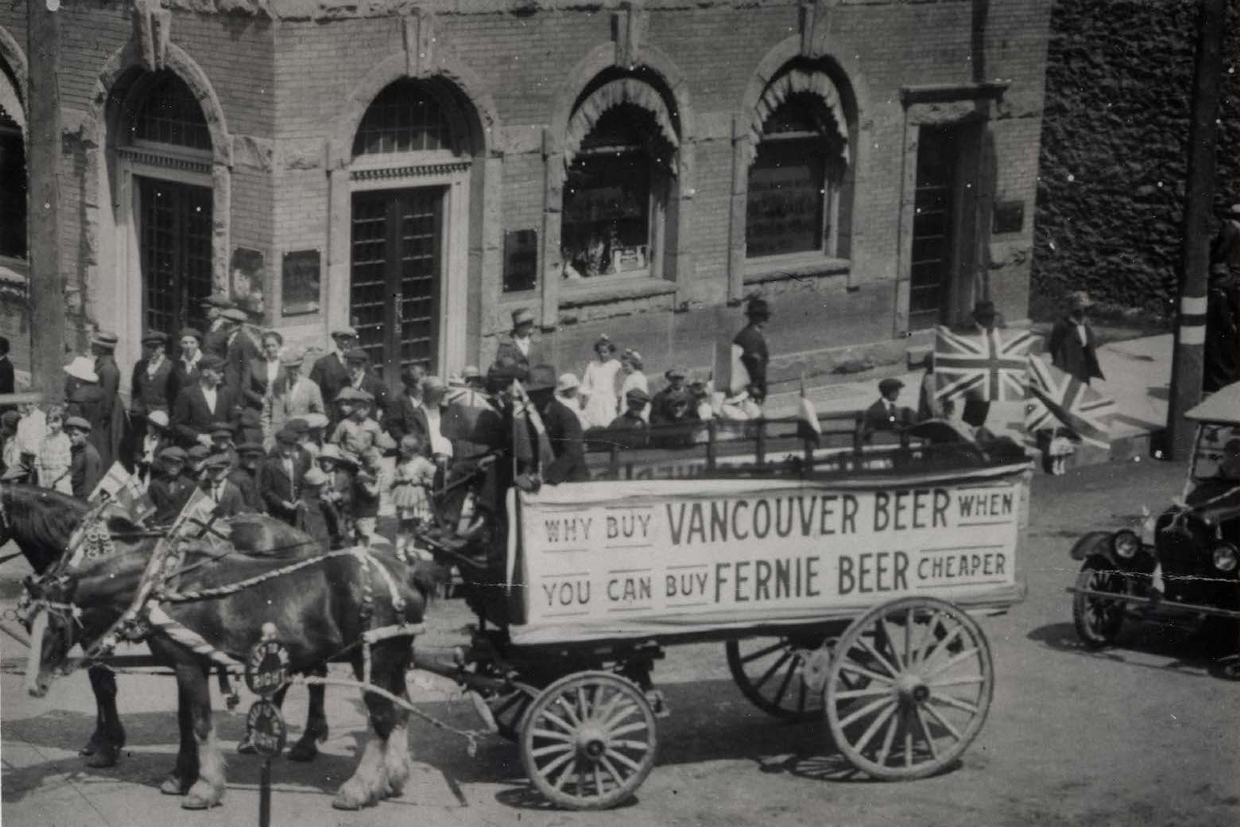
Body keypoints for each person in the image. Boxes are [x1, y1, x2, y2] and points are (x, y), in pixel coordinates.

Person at [524, 364, 588, 484]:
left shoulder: (565, 416)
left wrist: (548, 476)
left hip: (572, 480)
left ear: (548, 393)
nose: (531, 398)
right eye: (529, 394)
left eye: (534, 394)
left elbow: (572, 452)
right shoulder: (535, 415)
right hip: (549, 478)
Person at [173, 355, 238, 449]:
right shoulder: (187, 393)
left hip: (222, 447)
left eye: (222, 371)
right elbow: (178, 425)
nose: (222, 374)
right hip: (197, 448)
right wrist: (198, 437)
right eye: (218, 372)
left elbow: (234, 418)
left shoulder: (226, 392)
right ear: (205, 372)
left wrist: (228, 435)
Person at [265, 349, 324, 448]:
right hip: (276, 440)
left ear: (301, 366)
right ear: (283, 367)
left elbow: (321, 416)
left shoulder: (311, 387)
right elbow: (265, 414)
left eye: (295, 367)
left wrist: (302, 421)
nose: (292, 371)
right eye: (288, 368)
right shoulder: (274, 385)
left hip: (300, 441)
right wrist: (267, 436)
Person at [390, 434, 436, 563]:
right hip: (404, 498)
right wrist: (401, 479)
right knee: (403, 524)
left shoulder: (423, 463)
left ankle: (409, 548)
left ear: (412, 450)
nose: (400, 450)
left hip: (417, 499)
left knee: (414, 524)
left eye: (402, 448)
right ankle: (399, 550)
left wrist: (421, 480)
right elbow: (393, 480)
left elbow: (433, 479)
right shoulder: (402, 463)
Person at [130, 331, 176, 448]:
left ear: (163, 348)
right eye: (149, 347)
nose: (153, 351)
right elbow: (136, 390)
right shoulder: (140, 366)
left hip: (161, 416)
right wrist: (136, 407)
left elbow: (174, 396)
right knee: (140, 447)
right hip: (142, 415)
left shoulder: (171, 367)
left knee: (158, 448)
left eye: (156, 347)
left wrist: (170, 417)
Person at [1048, 292, 1104, 385]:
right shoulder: (1062, 323)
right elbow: (1053, 345)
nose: (1084, 310)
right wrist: (1060, 362)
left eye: (1086, 308)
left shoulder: (1085, 322)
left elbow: (1089, 342)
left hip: (1083, 361)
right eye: (1082, 307)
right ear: (1074, 307)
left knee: (1084, 388)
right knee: (1070, 388)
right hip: (1069, 362)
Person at [261, 428, 310, 525]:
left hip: (296, 512)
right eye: (285, 444)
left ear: (295, 446)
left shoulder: (299, 464)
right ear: (279, 444)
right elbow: (266, 490)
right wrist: (281, 502)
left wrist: (301, 500)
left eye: (291, 445)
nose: (288, 448)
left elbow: (304, 486)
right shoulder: (270, 465)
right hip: (278, 512)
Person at [310, 327, 359, 422]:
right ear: (335, 339)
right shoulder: (323, 363)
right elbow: (313, 391)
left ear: (353, 340)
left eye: (349, 338)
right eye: (342, 338)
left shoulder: (361, 362)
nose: (345, 342)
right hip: (333, 415)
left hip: (356, 414)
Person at [1204, 267, 1238, 393]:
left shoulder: (1211, 293)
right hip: (1220, 334)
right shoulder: (1220, 295)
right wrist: (1231, 328)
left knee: (1213, 358)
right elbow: (1224, 319)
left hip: (1211, 332)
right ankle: (1218, 385)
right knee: (1221, 359)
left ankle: (1211, 384)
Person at [734, 297, 771, 406]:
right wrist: (758, 387)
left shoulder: (746, 334)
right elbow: (755, 365)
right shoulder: (752, 337)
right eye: (763, 317)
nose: (766, 320)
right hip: (750, 389)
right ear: (756, 318)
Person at [331, 388, 383, 463]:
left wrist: (373, 456)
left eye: (366, 408)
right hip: (347, 461)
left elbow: (380, 447)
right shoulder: (345, 423)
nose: (363, 410)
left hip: (367, 462)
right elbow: (334, 443)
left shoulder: (374, 425)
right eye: (360, 407)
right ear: (354, 407)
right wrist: (344, 455)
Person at [316, 445, 355, 546]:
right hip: (322, 518)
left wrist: (340, 496)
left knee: (342, 545)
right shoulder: (315, 476)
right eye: (323, 460)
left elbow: (350, 496)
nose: (325, 463)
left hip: (339, 517)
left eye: (329, 461)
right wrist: (321, 497)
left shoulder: (343, 476)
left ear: (336, 462)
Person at [581, 335, 622, 429]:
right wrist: (583, 401)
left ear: (611, 352)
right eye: (600, 352)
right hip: (594, 399)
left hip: (609, 399)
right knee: (594, 424)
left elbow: (619, 384)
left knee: (609, 423)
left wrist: (619, 400)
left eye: (605, 352)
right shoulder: (592, 365)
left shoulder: (615, 365)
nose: (602, 354)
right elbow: (586, 384)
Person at [295, 466, 340, 551]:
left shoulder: (322, 501)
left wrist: (329, 504)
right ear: (317, 487)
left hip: (323, 540)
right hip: (312, 543)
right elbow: (299, 528)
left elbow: (335, 519)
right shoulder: (304, 503)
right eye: (325, 484)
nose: (327, 487)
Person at [148, 447, 194, 525]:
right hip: (160, 527)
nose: (174, 466)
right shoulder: (155, 484)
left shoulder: (189, 485)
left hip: (180, 528)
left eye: (178, 463)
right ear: (163, 463)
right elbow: (149, 510)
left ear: (182, 465)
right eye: (170, 462)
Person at [386, 365, 429, 448]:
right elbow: (393, 426)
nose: (422, 383)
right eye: (417, 380)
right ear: (409, 383)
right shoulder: (398, 401)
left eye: (423, 377)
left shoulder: (428, 399)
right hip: (410, 449)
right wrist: (406, 441)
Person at [341, 348, 389, 422]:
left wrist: (379, 428)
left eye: (358, 365)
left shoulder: (376, 384)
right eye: (351, 364)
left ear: (364, 366)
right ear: (346, 365)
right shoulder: (342, 383)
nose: (354, 369)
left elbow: (389, 408)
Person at [243, 330, 285, 413]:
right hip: (260, 408)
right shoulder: (253, 364)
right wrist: (261, 399)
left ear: (279, 346)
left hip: (282, 407)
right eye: (267, 346)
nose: (270, 349)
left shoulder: (286, 364)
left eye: (273, 346)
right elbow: (245, 388)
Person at [492, 308, 543, 376]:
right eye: (528, 323)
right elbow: (501, 366)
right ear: (519, 326)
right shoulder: (506, 344)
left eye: (531, 322)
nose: (532, 325)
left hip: (536, 383)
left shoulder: (537, 342)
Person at [222, 307, 260, 399]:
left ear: (236, 325)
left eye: (227, 325)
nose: (224, 327)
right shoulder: (229, 338)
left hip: (237, 387)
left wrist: (244, 392)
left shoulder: (244, 341)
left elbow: (247, 368)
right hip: (226, 383)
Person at [35, 405, 73, 494]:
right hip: (44, 478)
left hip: (60, 479)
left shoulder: (66, 440)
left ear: (63, 421)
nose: (52, 424)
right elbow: (39, 461)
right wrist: (41, 480)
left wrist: (52, 481)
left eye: (56, 421)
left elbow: (66, 465)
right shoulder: (44, 440)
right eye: (50, 420)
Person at [200, 453, 249, 519]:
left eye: (220, 469)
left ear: (227, 470)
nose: (217, 473)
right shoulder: (202, 489)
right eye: (214, 470)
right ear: (208, 471)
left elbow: (239, 515)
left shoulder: (234, 490)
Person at [65, 416, 103, 499]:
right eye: (69, 435)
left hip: (85, 498)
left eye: (76, 435)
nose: (72, 438)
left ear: (86, 434)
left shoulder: (89, 454)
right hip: (75, 493)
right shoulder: (75, 449)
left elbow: (90, 485)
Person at [134, 409, 173, 489]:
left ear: (157, 429)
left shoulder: (164, 443)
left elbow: (163, 463)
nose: (147, 427)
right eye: (148, 424)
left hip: (156, 477)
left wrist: (151, 462)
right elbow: (136, 453)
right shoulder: (143, 438)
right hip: (142, 473)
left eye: (150, 425)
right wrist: (141, 460)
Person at [353, 446, 384, 545]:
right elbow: (372, 493)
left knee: (364, 537)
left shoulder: (370, 472)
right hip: (364, 514)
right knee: (365, 538)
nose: (380, 463)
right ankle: (362, 555)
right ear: (371, 461)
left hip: (370, 512)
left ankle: (360, 554)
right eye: (377, 460)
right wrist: (379, 480)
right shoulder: (362, 476)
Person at [14, 399, 47, 479]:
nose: (27, 407)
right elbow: (18, 441)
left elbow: (44, 440)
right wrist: (16, 458)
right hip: (24, 457)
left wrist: (38, 459)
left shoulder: (42, 418)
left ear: (37, 404)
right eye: (25, 404)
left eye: (30, 404)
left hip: (37, 457)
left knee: (36, 484)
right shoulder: (22, 421)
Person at [201, 292, 236, 361]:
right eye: (205, 309)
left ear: (220, 310)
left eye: (209, 309)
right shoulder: (211, 326)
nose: (205, 311)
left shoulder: (228, 327)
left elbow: (232, 354)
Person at [231, 442, 265, 512]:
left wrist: (264, 510)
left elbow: (258, 496)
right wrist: (255, 513)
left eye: (255, 457)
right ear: (241, 458)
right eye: (249, 457)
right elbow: (235, 504)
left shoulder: (256, 474)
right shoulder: (235, 478)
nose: (252, 460)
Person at [619, 349, 649, 421]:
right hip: (628, 410)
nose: (624, 368)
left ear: (634, 364)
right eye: (623, 366)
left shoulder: (639, 377)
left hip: (636, 412)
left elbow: (642, 397)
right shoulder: (629, 377)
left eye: (626, 366)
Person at [174, 327, 205, 392]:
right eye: (185, 343)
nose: (188, 346)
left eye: (192, 342)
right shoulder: (177, 364)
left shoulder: (206, 362)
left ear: (198, 344)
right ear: (180, 344)